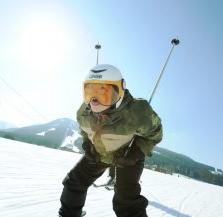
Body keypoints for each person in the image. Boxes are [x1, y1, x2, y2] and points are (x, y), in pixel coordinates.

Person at [58, 64, 163, 217]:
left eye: (103, 93)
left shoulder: (137, 112)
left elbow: (156, 134)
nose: (94, 101)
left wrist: (136, 152)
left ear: (119, 91)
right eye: (90, 93)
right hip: (100, 153)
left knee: (125, 200)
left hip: (128, 156)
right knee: (74, 182)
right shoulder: (84, 112)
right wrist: (88, 144)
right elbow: (84, 130)